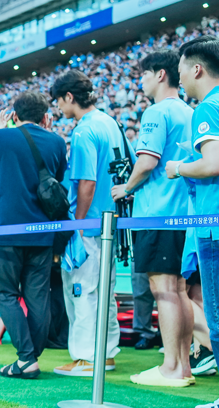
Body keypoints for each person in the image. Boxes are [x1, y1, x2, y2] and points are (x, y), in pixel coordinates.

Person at [109, 50, 194, 387]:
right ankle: (182, 365)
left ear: (160, 75)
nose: (140, 82)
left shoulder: (157, 112)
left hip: (158, 213)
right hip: (183, 215)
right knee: (180, 291)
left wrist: (124, 189)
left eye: (143, 75)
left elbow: (145, 163)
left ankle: (172, 367)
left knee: (165, 292)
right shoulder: (189, 111)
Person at [0, 91, 68, 379]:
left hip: (5, 232)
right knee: (38, 296)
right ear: (45, 116)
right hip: (42, 234)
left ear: (14, 115)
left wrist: (2, 130)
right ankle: (32, 356)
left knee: (5, 293)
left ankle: (27, 359)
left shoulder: (2, 136)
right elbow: (57, 179)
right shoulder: (56, 141)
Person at [50, 70, 128, 376]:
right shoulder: (110, 122)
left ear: (69, 97)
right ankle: (106, 353)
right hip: (111, 222)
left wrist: (77, 223)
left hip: (89, 224)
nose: (58, 108)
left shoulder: (84, 130)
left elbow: (86, 181)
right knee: (103, 292)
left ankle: (85, 357)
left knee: (82, 290)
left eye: (58, 101)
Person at [167, 35, 219, 408]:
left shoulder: (207, 109)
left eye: (182, 69)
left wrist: (179, 168)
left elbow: (213, 162)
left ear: (196, 69)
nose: (179, 77)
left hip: (213, 224)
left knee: (216, 313)